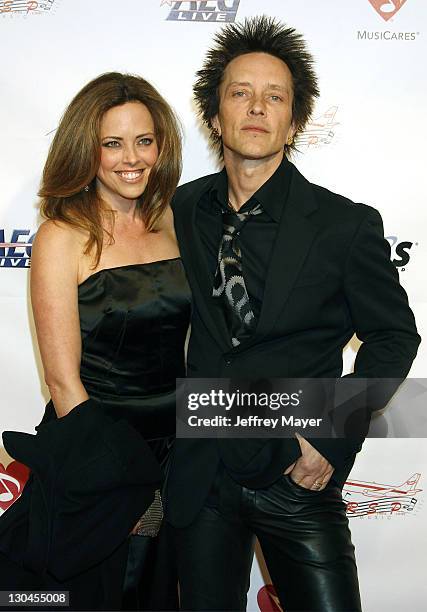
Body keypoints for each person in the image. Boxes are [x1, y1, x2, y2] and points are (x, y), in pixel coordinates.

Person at [166, 16, 421, 612]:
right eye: (240, 93)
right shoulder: (185, 207)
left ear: (295, 119)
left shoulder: (344, 224)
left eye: (274, 96)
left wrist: (331, 439)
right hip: (201, 473)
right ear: (214, 116)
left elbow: (393, 337)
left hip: (296, 475)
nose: (257, 107)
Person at [0, 72, 190, 610]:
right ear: (88, 150)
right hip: (98, 449)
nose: (131, 157)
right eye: (112, 143)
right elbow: (62, 381)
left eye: (144, 140)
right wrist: (123, 483)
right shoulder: (63, 235)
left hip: (178, 451)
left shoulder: (173, 221)